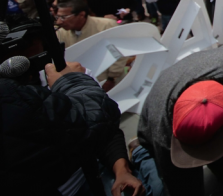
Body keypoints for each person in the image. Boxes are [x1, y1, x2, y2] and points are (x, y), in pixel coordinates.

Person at [0, 60, 145, 196]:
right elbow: (95, 117)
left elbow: (100, 132)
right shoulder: (16, 98)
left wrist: (122, 171)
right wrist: (74, 82)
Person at [137, 49, 223, 196]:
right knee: (162, 190)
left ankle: (219, 164)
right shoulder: (163, 135)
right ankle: (137, 151)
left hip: (199, 82)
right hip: (154, 134)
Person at [55, 0, 127, 92]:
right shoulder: (61, 33)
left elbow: (119, 53)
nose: (59, 21)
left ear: (81, 15)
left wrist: (111, 78)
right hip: (83, 85)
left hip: (110, 81)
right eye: (57, 17)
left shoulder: (107, 25)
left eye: (64, 17)